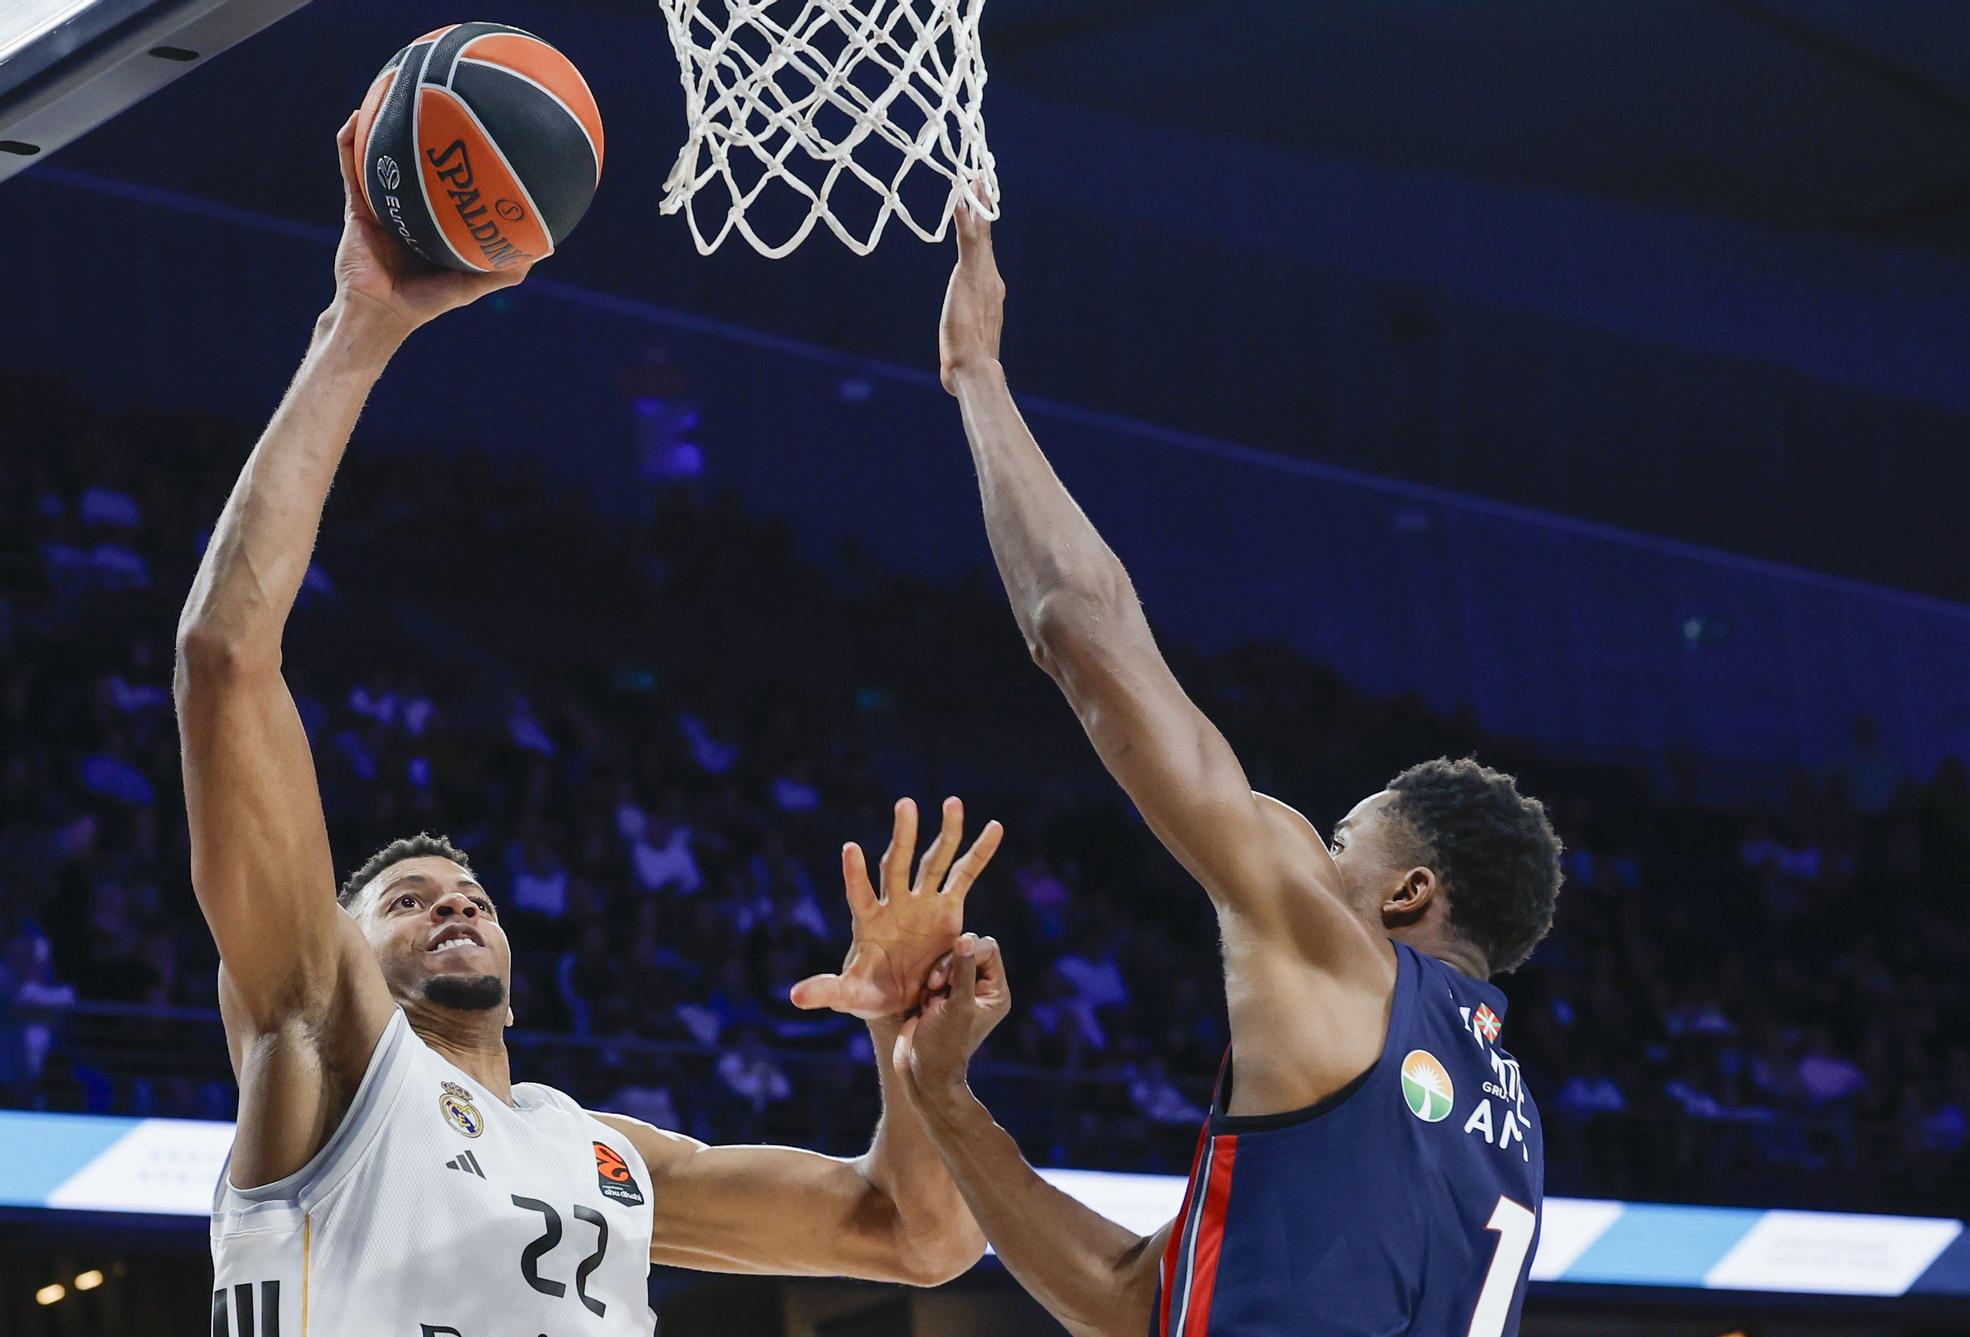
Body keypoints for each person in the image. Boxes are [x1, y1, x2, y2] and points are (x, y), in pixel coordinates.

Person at [180, 114, 994, 1335]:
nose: (453, 904)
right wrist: (360, 328)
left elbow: (919, 1236)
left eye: (468, 893)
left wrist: (906, 1043)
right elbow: (224, 661)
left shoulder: (598, 1151)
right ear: (335, 946)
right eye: (406, 899)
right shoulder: (328, 1050)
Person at [890, 200, 1566, 1336]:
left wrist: (977, 376)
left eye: (1341, 841)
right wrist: (943, 1098)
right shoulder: (1511, 1130)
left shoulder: (1344, 961)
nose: (1312, 854)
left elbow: (1081, 631)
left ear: (1408, 892)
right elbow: (1130, 1300)